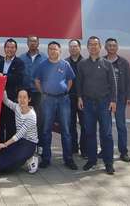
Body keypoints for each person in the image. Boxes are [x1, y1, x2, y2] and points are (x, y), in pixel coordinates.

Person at [77, 36, 117, 175]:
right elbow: (79, 83)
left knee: (106, 134)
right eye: (90, 44)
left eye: (95, 44)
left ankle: (108, 162)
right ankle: (92, 160)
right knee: (89, 133)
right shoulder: (82, 64)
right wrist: (79, 98)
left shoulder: (107, 64)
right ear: (87, 47)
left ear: (100, 47)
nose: (93, 47)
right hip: (88, 104)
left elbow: (113, 84)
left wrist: (113, 101)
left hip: (104, 103)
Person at [34, 41, 76, 170]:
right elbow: (37, 80)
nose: (53, 51)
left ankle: (68, 159)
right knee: (46, 130)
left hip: (63, 100)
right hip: (48, 100)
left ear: (59, 51)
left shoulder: (65, 64)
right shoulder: (43, 65)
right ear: (48, 51)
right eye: (50, 49)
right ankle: (46, 159)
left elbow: (70, 80)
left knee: (66, 131)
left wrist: (65, 91)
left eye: (55, 49)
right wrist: (43, 93)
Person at [0, 90, 39, 176]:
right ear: (17, 99)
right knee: (2, 157)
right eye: (20, 97)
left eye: (24, 97)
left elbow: (19, 134)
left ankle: (31, 157)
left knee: (12, 164)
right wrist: (3, 88)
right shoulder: (17, 107)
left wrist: (5, 144)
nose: (22, 100)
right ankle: (24, 158)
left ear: (29, 99)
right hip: (19, 141)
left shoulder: (32, 116)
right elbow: (6, 101)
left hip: (29, 143)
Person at [105, 38, 130, 163]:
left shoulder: (124, 62)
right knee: (105, 127)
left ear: (117, 47)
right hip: (105, 99)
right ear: (105, 47)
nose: (112, 47)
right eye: (109, 45)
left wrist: (129, 96)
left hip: (120, 99)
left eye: (114, 45)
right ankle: (105, 151)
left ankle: (123, 152)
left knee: (121, 125)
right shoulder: (102, 61)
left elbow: (129, 81)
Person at [20, 36, 47, 151]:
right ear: (27, 43)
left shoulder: (44, 58)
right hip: (25, 93)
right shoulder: (21, 58)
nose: (32, 43)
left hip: (39, 93)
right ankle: (26, 146)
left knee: (40, 120)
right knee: (25, 120)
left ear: (38, 43)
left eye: (35, 41)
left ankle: (39, 145)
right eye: (30, 41)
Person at [0, 38, 25, 143]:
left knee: (11, 124)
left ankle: (10, 148)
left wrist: (3, 76)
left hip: (12, 98)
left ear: (16, 49)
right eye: (8, 47)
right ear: (4, 48)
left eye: (12, 47)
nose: (10, 49)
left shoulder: (19, 63)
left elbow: (19, 78)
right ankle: (0, 147)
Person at [66, 39, 87, 158]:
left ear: (79, 48)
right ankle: (73, 148)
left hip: (83, 99)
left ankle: (84, 150)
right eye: (71, 47)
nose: (73, 48)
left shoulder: (86, 62)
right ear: (69, 49)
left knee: (84, 124)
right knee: (71, 124)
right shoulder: (65, 63)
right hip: (69, 98)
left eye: (75, 46)